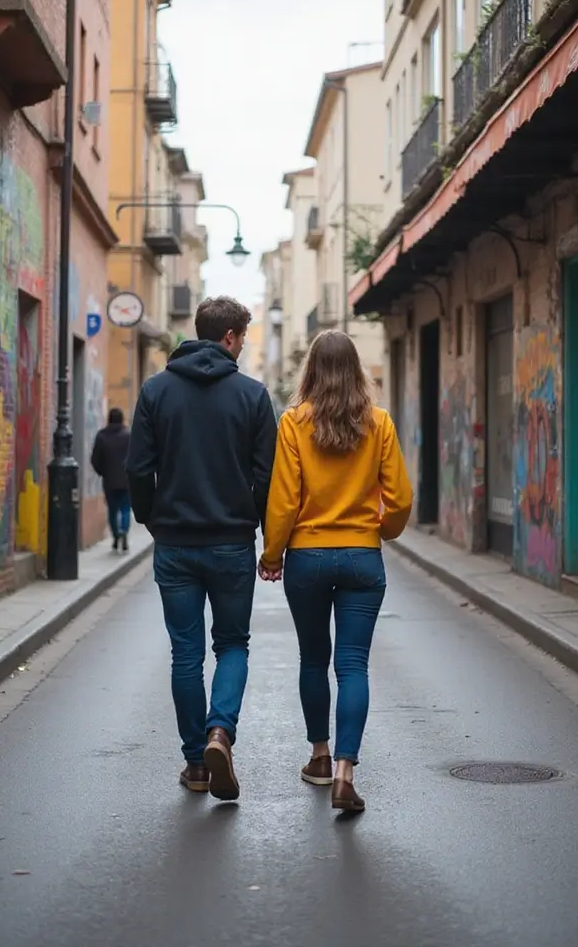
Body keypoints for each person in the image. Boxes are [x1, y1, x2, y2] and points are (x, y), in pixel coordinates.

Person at [126, 297, 277, 801]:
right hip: (231, 544)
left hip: (175, 544)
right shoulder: (252, 396)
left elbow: (137, 468)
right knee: (232, 644)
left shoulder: (156, 391)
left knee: (185, 653)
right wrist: (262, 533)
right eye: (243, 337)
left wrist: (150, 518)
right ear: (230, 337)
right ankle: (220, 732)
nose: (243, 346)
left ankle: (196, 763)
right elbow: (267, 476)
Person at [259, 330, 413, 814]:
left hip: (307, 556)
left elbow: (284, 499)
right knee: (353, 665)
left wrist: (272, 553)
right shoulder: (379, 422)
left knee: (312, 659)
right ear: (356, 370)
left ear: (311, 370)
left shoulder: (294, 423)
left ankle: (320, 757)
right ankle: (347, 771)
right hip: (362, 557)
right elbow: (400, 498)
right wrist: (381, 531)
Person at [91, 407, 132, 552]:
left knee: (112, 510)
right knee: (126, 509)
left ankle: (116, 536)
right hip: (127, 480)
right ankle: (124, 530)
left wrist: (102, 472)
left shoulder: (102, 436)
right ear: (122, 419)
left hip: (109, 481)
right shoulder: (129, 436)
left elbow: (95, 459)